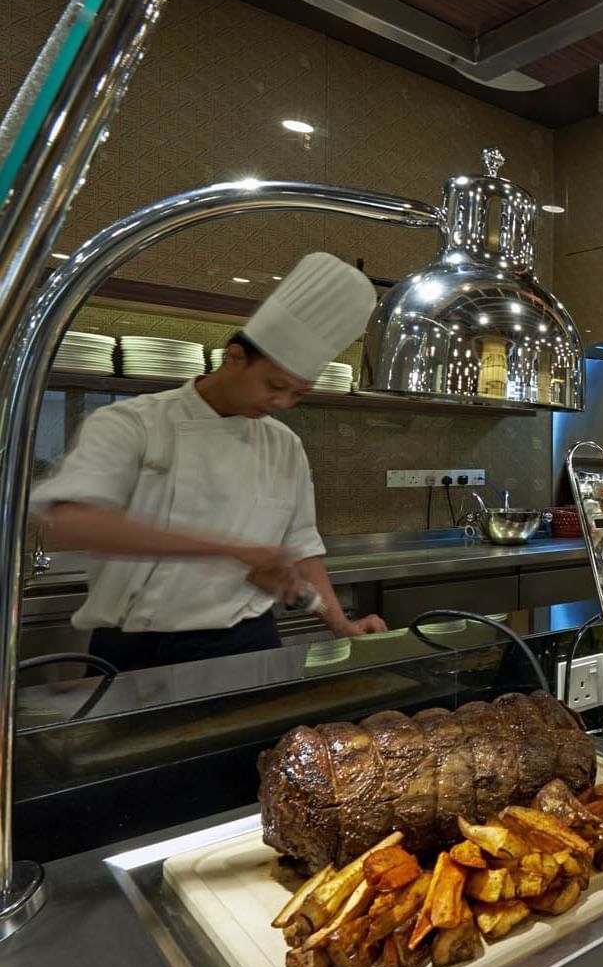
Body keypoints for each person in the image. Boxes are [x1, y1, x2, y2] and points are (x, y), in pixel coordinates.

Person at [30, 252, 388, 672]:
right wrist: (231, 550)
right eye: (275, 385)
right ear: (234, 356)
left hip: (247, 640)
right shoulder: (133, 422)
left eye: (297, 394)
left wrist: (341, 624)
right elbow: (72, 521)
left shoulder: (284, 444)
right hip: (137, 649)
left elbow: (304, 548)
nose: (282, 403)